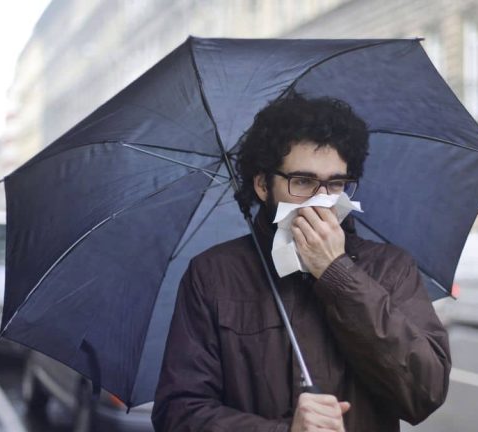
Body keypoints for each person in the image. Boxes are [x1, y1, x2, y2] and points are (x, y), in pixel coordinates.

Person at [152, 92, 451, 432]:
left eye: (335, 183)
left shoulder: (390, 267)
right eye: (304, 182)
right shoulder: (213, 274)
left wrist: (338, 275)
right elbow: (177, 413)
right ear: (264, 185)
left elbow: (425, 393)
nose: (322, 200)